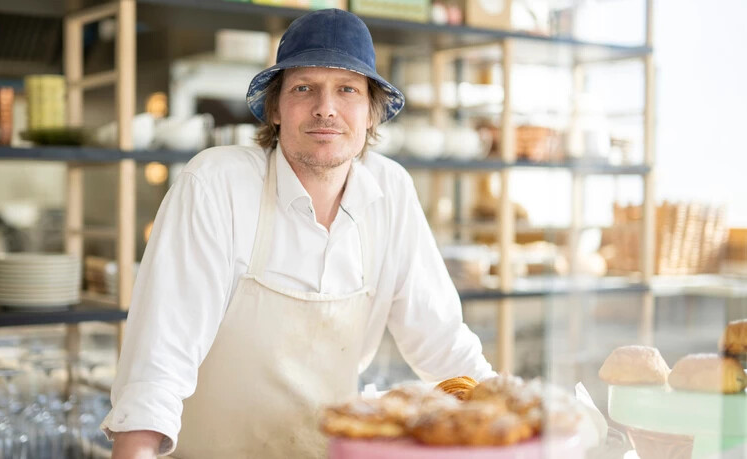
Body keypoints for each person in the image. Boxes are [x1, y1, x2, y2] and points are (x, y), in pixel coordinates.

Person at [103, 8, 494, 459]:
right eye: (304, 88)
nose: (325, 107)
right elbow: (158, 362)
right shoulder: (216, 184)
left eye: (347, 89)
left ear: (372, 112)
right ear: (275, 109)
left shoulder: (391, 191)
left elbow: (444, 345)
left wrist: (514, 421)